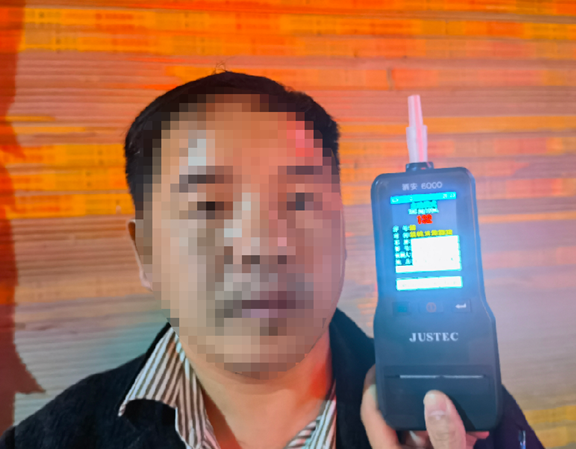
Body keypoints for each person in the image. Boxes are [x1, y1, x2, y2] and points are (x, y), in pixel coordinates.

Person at [0, 71, 544, 449]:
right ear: (147, 254)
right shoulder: (47, 441)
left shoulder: (462, 420)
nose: (262, 245)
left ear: (343, 233)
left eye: (300, 201)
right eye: (209, 206)